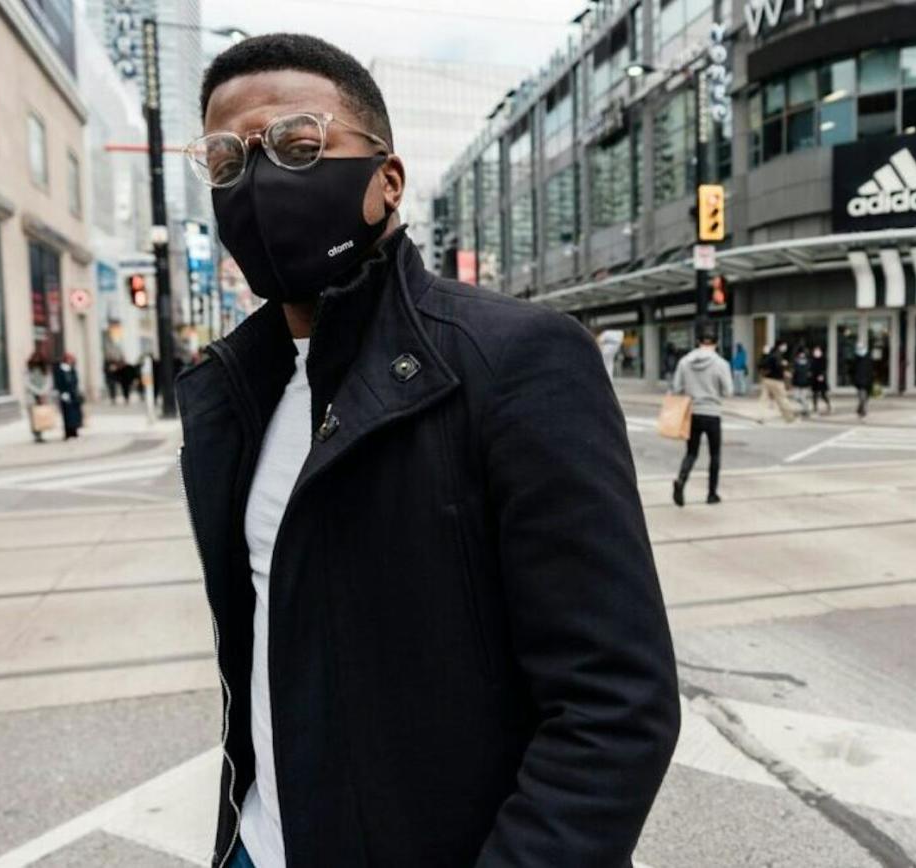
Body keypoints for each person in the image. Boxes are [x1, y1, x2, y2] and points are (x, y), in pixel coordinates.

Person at [175, 34, 678, 868]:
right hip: (260, 846)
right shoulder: (232, 392)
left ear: (387, 180)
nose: (258, 181)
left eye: (299, 145)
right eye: (228, 162)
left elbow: (615, 706)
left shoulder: (517, 358)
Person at [670, 329, 733, 507]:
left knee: (691, 452)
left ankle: (681, 481)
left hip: (693, 412)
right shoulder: (721, 364)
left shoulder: (684, 362)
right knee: (714, 454)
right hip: (712, 413)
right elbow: (728, 391)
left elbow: (676, 388)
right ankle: (711, 494)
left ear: (698, 342)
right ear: (716, 343)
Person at [758, 341, 797, 422]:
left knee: (763, 400)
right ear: (780, 346)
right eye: (784, 346)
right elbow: (778, 367)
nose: (785, 348)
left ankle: (760, 417)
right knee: (782, 399)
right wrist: (785, 368)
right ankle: (789, 418)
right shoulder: (778, 356)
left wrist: (764, 355)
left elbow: (760, 365)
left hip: (766, 380)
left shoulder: (769, 355)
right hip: (776, 381)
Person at [24, 351, 54, 443]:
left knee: (42, 415)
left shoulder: (45, 370)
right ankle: (36, 434)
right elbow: (27, 383)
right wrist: (38, 392)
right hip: (32, 396)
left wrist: (43, 392)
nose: (37, 360)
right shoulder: (29, 370)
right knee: (33, 415)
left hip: (43, 395)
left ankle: (41, 433)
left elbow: (49, 382)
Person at [54, 352, 84, 439]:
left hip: (73, 394)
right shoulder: (60, 369)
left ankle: (74, 431)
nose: (71, 360)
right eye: (69, 359)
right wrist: (62, 392)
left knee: (75, 414)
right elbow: (58, 382)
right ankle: (67, 433)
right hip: (65, 394)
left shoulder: (72, 369)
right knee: (66, 414)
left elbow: (76, 381)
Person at [852, 344, 875, 420]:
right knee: (862, 397)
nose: (860, 350)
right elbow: (852, 370)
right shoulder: (856, 359)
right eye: (859, 348)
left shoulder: (868, 357)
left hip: (868, 380)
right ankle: (863, 411)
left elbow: (871, 369)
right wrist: (854, 379)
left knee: (866, 397)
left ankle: (859, 409)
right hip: (860, 381)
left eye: (862, 348)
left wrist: (872, 378)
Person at [810, 345, 831, 415]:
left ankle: (828, 404)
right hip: (814, 378)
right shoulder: (812, 360)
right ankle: (815, 406)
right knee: (814, 394)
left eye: (818, 351)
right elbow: (811, 369)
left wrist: (822, 375)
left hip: (821, 378)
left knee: (823, 393)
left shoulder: (823, 359)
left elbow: (824, 368)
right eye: (815, 351)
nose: (816, 352)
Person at [790, 346, 812, 415]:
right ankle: (805, 407)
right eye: (800, 353)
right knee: (796, 397)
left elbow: (810, 373)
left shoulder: (809, 362)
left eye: (803, 353)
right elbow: (794, 373)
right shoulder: (795, 362)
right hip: (797, 383)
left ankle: (805, 410)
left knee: (803, 397)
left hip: (805, 383)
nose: (802, 355)